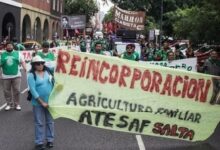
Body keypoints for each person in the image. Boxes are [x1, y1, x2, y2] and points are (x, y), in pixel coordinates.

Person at [27, 56, 54, 150]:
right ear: (34, 65)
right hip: (38, 103)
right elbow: (33, 91)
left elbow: (54, 84)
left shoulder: (48, 72)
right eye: (38, 63)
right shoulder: (31, 75)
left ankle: (50, 140)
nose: (40, 65)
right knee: (39, 123)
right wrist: (42, 102)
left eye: (42, 63)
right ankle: (39, 142)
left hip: (50, 102)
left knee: (50, 121)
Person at [0, 42, 26, 111]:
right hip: (5, 76)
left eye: (10, 46)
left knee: (17, 90)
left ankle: (17, 104)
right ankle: (9, 104)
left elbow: (22, 61)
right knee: (6, 91)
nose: (9, 47)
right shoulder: (2, 55)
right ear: (6, 47)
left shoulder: (18, 54)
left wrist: (25, 68)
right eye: (8, 46)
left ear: (13, 47)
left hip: (16, 75)